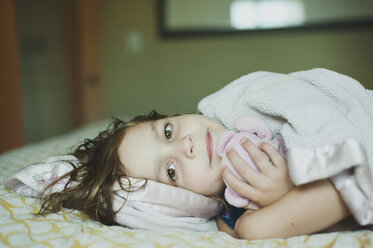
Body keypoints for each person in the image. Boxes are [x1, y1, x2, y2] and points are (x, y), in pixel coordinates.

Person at [37, 68, 373, 240]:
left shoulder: (239, 102)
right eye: (171, 171)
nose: (186, 145)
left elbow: (310, 106)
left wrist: (294, 184)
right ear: (187, 200)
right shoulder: (229, 214)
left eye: (168, 131)